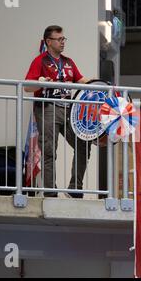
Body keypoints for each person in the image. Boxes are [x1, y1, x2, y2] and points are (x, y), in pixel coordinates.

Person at [25, 25, 91, 198]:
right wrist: (41, 82)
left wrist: (100, 85)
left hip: (69, 110)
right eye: (59, 39)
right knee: (48, 150)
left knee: (83, 144)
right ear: (48, 41)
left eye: (64, 39)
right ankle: (50, 191)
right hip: (47, 108)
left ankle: (74, 188)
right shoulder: (40, 61)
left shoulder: (68, 62)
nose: (63, 42)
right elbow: (27, 87)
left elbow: (82, 80)